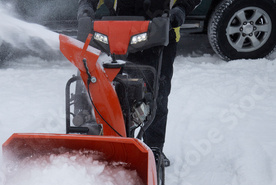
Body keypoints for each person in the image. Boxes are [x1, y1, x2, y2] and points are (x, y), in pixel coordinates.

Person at [77, 0, 201, 166]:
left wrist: (181, 8)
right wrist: (86, 7)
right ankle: (109, 141)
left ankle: (153, 148)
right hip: (119, 30)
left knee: (157, 93)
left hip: (162, 31)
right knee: (117, 89)